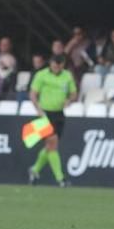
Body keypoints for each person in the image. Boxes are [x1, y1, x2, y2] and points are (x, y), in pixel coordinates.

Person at [27, 54, 76, 188]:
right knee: (52, 143)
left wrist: (69, 100)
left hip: (59, 114)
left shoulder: (67, 76)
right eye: (54, 65)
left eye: (59, 66)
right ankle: (61, 179)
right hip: (45, 114)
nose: (56, 68)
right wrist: (38, 108)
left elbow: (73, 93)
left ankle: (35, 170)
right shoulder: (41, 75)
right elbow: (33, 93)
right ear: (50, 64)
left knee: (50, 147)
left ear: (63, 65)